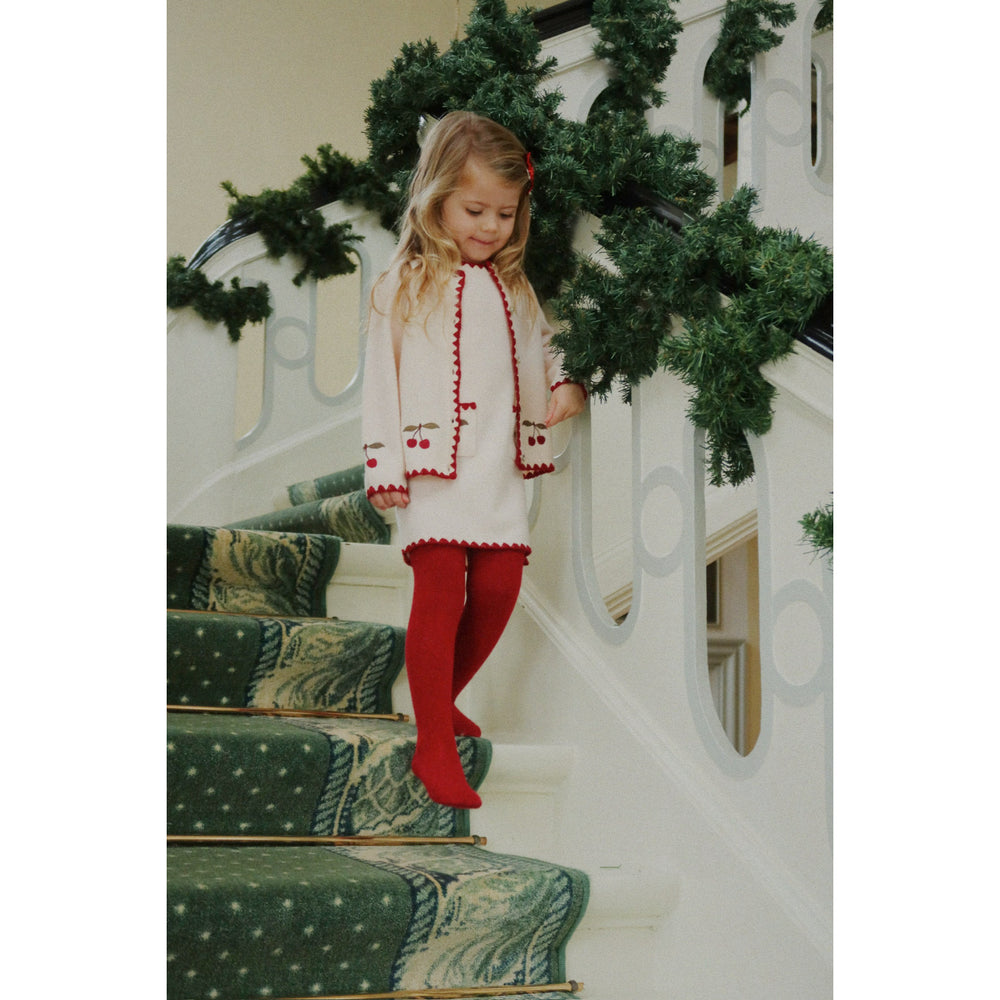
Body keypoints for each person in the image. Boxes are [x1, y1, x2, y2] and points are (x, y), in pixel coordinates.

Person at [361, 111, 586, 808]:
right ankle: (432, 741)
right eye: (474, 210)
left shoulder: (515, 288)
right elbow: (381, 377)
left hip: (496, 463)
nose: (490, 227)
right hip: (430, 464)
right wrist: (383, 465)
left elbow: (546, 346)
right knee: (441, 592)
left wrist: (566, 381)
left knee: (498, 588)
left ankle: (440, 697)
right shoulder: (404, 282)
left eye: (504, 214)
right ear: (437, 201)